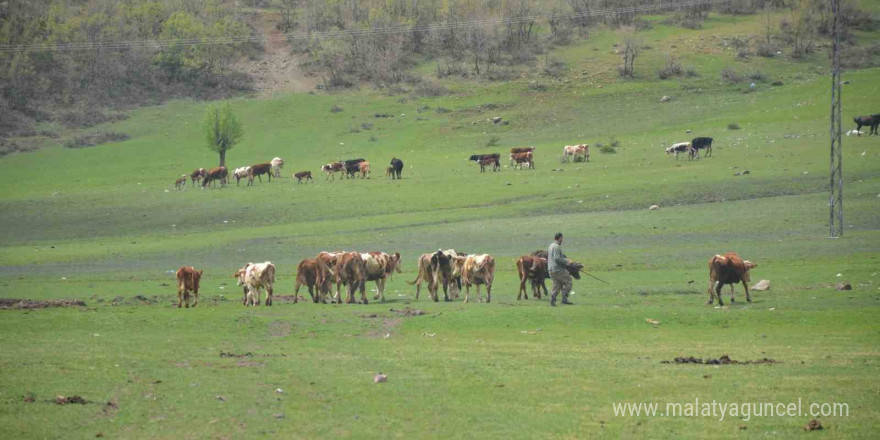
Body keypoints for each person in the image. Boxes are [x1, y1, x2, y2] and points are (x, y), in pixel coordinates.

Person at [548, 232, 573, 306]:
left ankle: (552, 300)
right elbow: (557, 258)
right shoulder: (556, 246)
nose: (562, 240)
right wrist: (567, 261)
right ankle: (564, 299)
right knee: (569, 282)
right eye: (562, 238)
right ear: (560, 238)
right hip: (558, 269)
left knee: (557, 286)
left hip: (551, 270)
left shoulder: (551, 245)